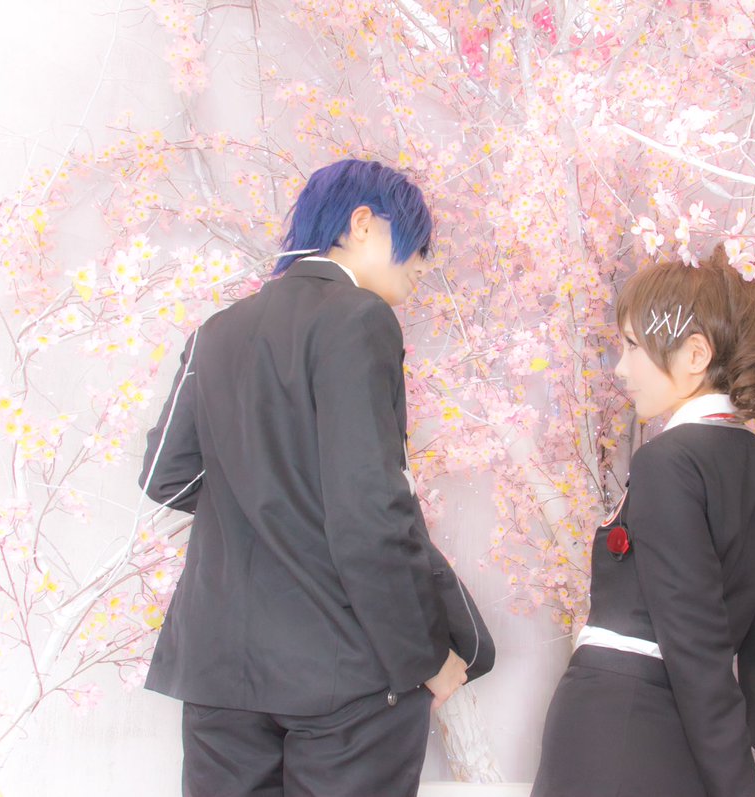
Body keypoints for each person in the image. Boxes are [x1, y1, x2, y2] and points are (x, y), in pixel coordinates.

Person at [138, 158, 494, 797]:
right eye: (416, 243)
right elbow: (370, 510)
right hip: (344, 673)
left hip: (219, 670)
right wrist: (425, 655)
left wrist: (265, 502)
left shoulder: (217, 329)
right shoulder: (358, 316)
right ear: (362, 223)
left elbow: (166, 475)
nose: (422, 263)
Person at [531, 246, 755, 797]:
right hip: (689, 750)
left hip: (614, 736)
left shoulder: (668, 461)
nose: (621, 367)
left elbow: (694, 643)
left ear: (696, 354)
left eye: (634, 345)